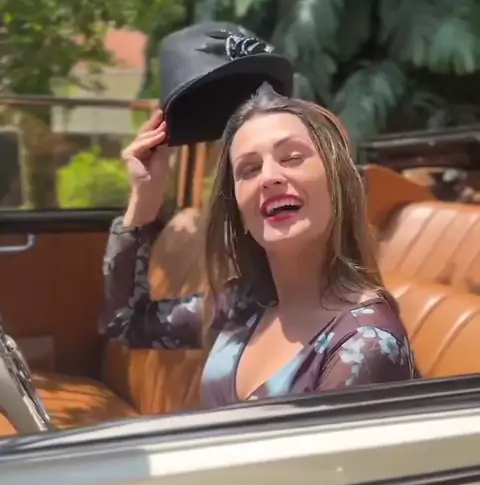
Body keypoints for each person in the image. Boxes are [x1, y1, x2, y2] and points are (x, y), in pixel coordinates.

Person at [101, 85, 416, 407]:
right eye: (249, 169)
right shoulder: (243, 303)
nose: (269, 177)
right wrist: (144, 198)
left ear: (337, 183)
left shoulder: (366, 344)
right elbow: (125, 322)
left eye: (292, 158)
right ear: (238, 209)